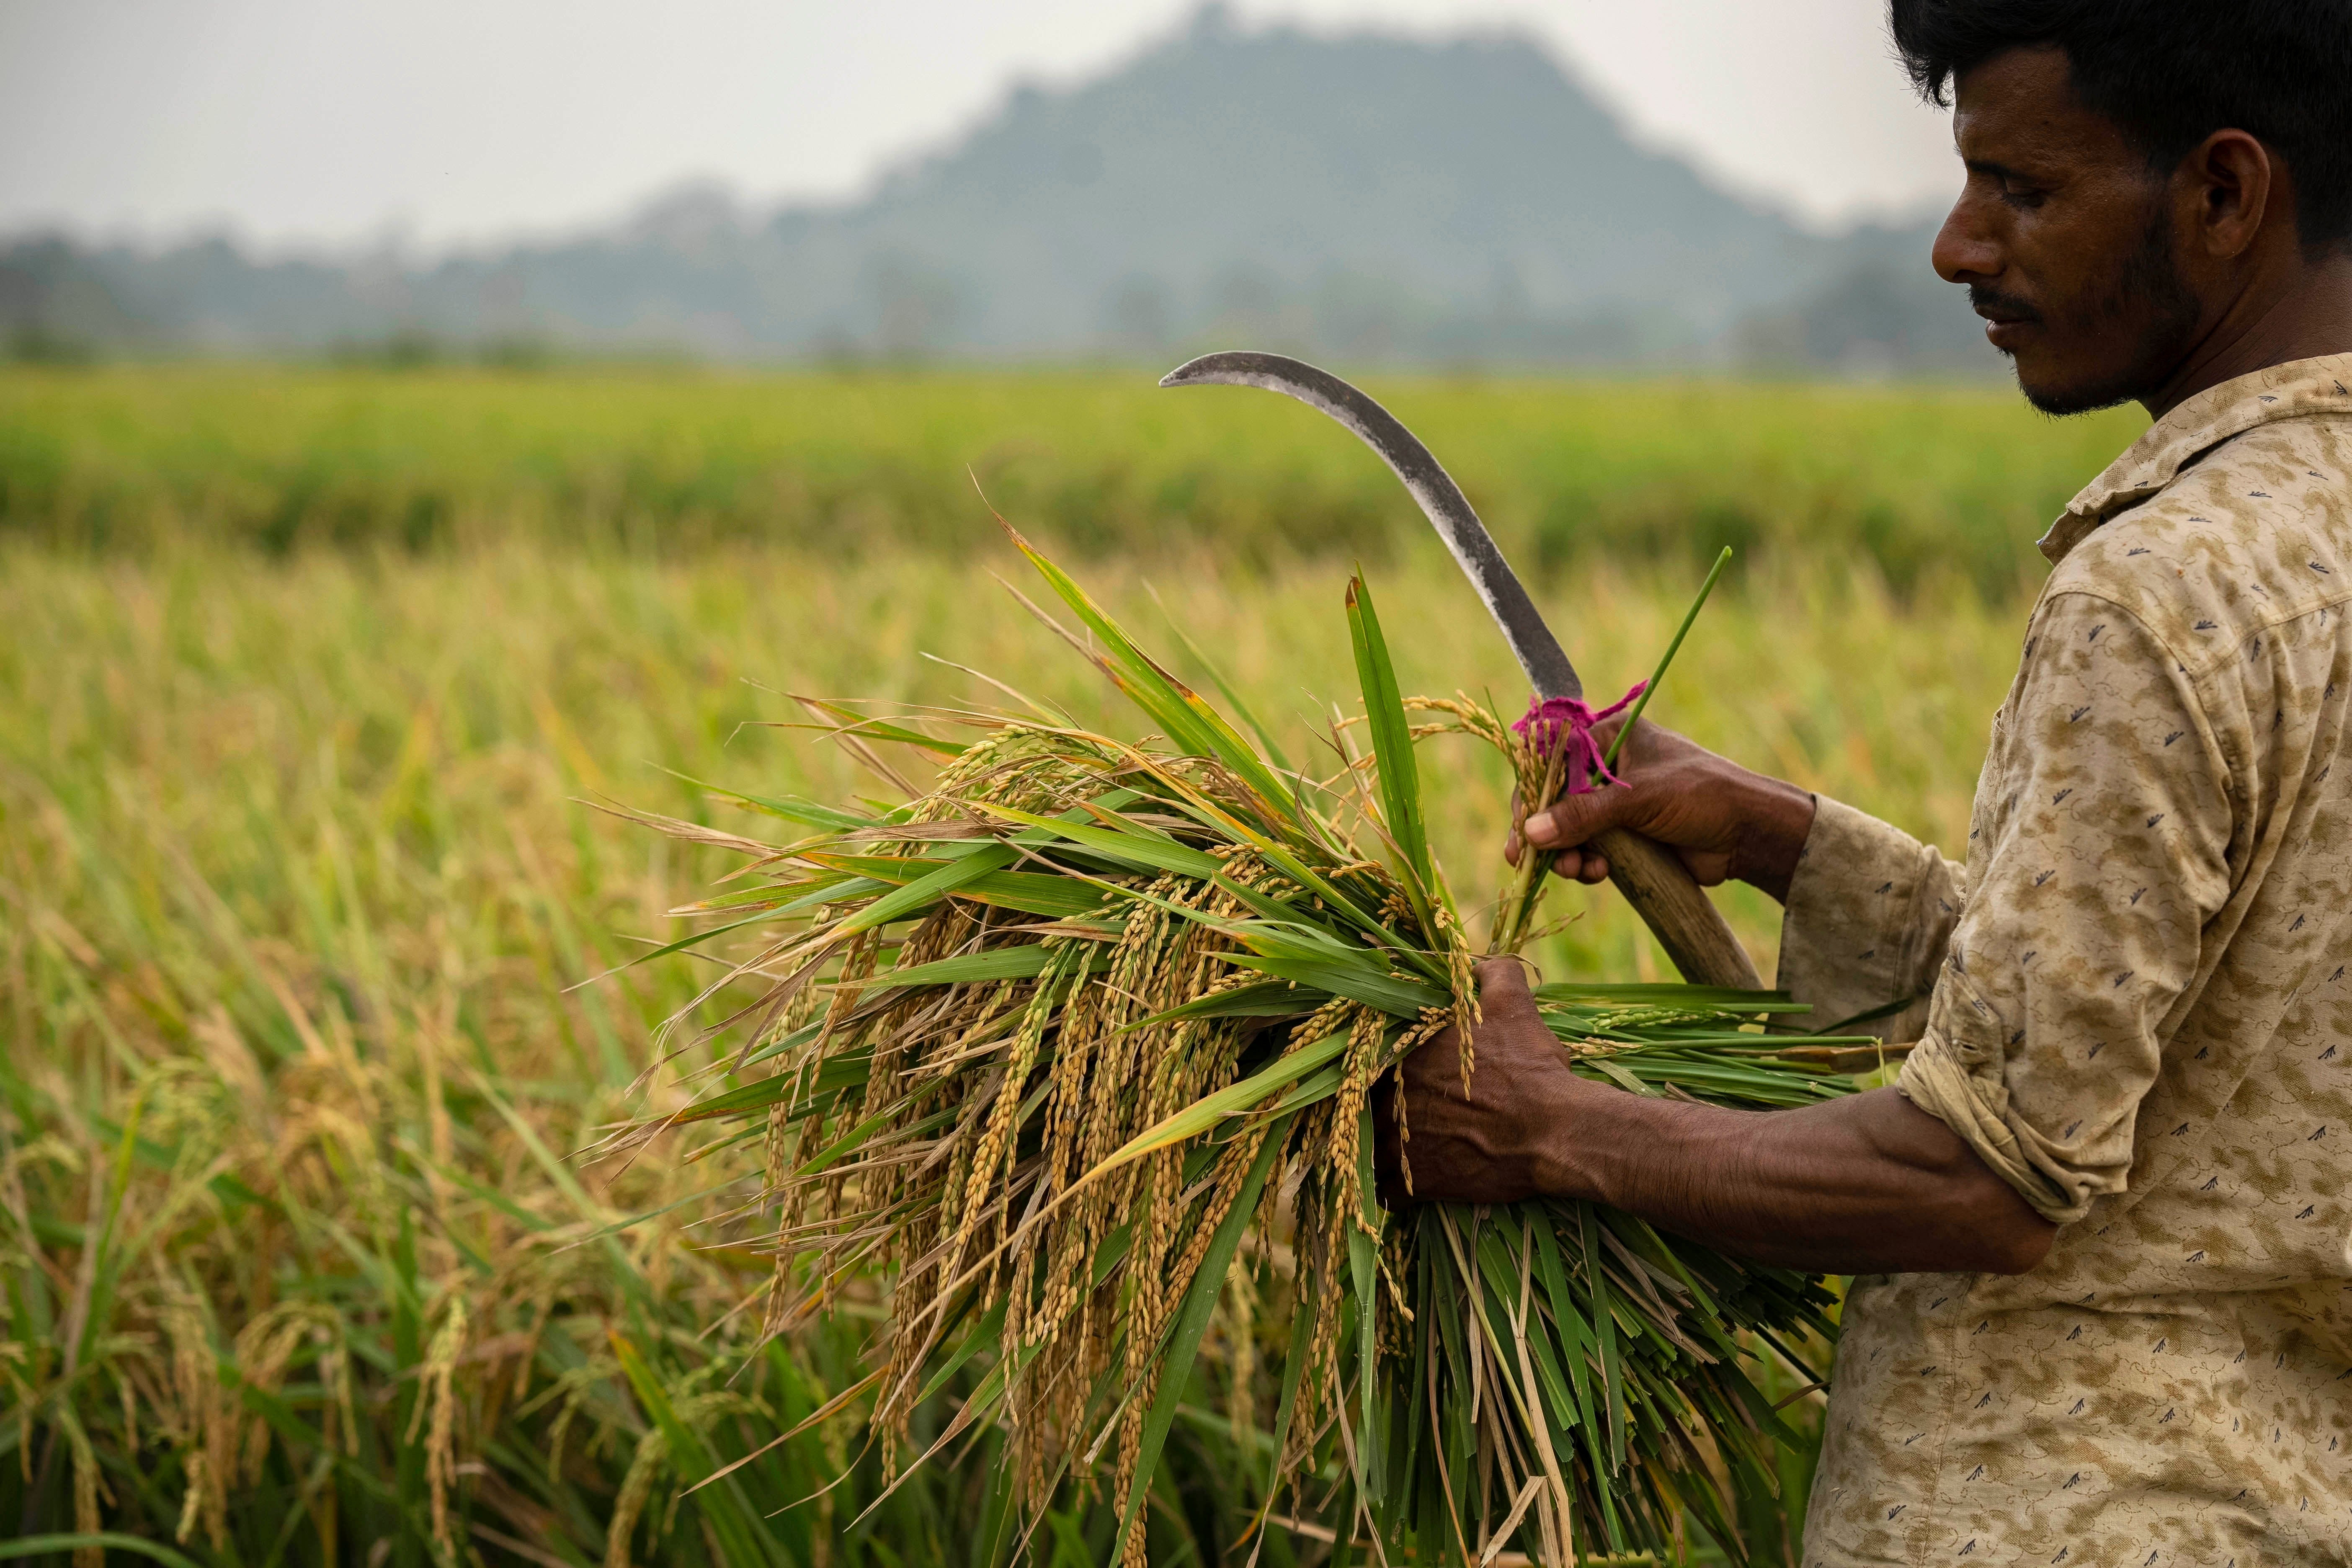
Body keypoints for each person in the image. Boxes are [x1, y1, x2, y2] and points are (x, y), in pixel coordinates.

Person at [1384, 3, 2352, 1562]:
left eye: (2025, 189)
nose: (1957, 247)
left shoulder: (2161, 596)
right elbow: (2175, 1033)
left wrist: (1547, 1127)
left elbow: (1989, 1174)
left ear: (2226, 195)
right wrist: (1784, 840)